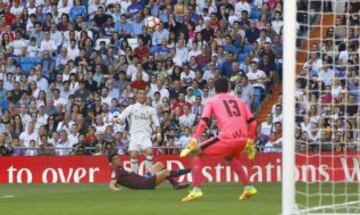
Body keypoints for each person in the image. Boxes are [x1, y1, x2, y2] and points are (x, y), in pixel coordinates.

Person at [180, 77, 258, 202]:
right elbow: (253, 123)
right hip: (242, 140)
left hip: (227, 138)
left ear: (215, 89)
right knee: (230, 158)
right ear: (228, 88)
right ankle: (248, 187)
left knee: (195, 152)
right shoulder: (239, 100)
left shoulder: (212, 101)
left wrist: (194, 139)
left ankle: (196, 190)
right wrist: (250, 140)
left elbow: (203, 122)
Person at [114, 89, 161, 174]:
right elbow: (121, 118)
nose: (142, 95)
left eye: (144, 94)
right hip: (134, 135)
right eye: (140, 93)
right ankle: (135, 176)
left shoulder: (150, 109)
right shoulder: (131, 108)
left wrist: (158, 133)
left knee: (150, 152)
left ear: (146, 96)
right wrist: (118, 120)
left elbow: (157, 123)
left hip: (146, 135)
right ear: (137, 96)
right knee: (133, 155)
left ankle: (149, 174)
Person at [108, 153, 190, 190]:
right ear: (111, 163)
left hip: (144, 179)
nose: (118, 159)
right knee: (165, 172)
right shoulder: (115, 171)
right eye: (115, 159)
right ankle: (188, 171)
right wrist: (117, 190)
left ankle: (175, 184)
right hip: (143, 184)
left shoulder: (120, 169)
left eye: (118, 158)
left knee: (159, 164)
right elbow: (112, 183)